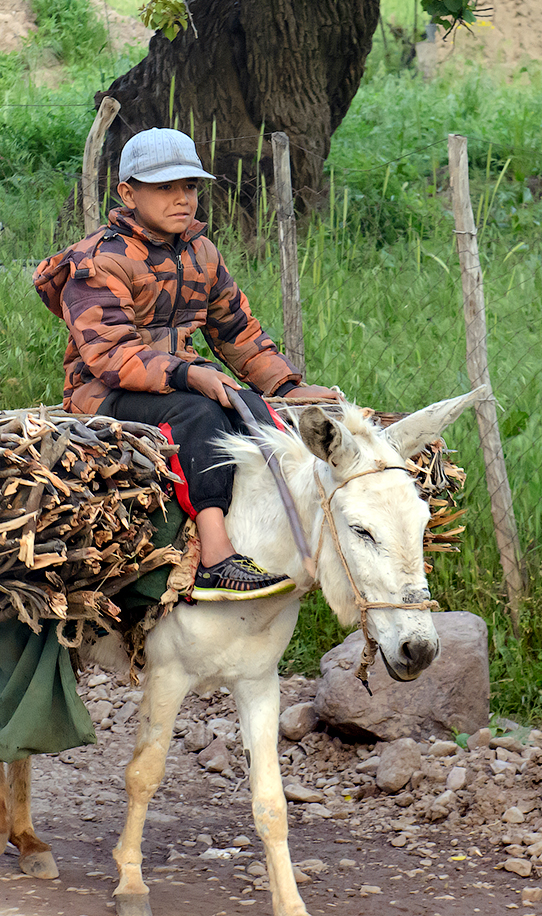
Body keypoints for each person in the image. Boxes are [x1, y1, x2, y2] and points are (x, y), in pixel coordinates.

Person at [34, 127, 338, 600]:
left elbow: (236, 331)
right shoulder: (98, 260)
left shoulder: (201, 253)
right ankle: (215, 556)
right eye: (165, 187)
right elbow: (110, 354)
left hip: (177, 382)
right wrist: (188, 374)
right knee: (200, 414)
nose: (182, 199)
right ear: (128, 194)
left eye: (190, 186)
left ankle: (277, 538)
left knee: (253, 409)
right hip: (104, 391)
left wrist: (284, 386)